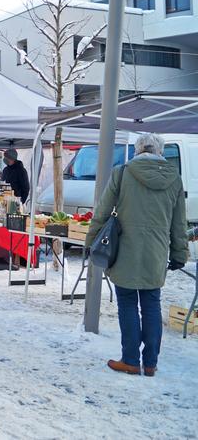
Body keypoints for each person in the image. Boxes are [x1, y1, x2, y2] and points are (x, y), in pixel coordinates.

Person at [86, 133, 188, 377]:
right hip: (156, 251)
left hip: (125, 251)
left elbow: (102, 211)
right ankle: (150, 363)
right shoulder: (174, 178)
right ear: (160, 152)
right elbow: (179, 222)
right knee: (152, 304)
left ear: (137, 150)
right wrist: (179, 253)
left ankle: (131, 360)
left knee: (128, 303)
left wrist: (91, 241)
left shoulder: (122, 173)